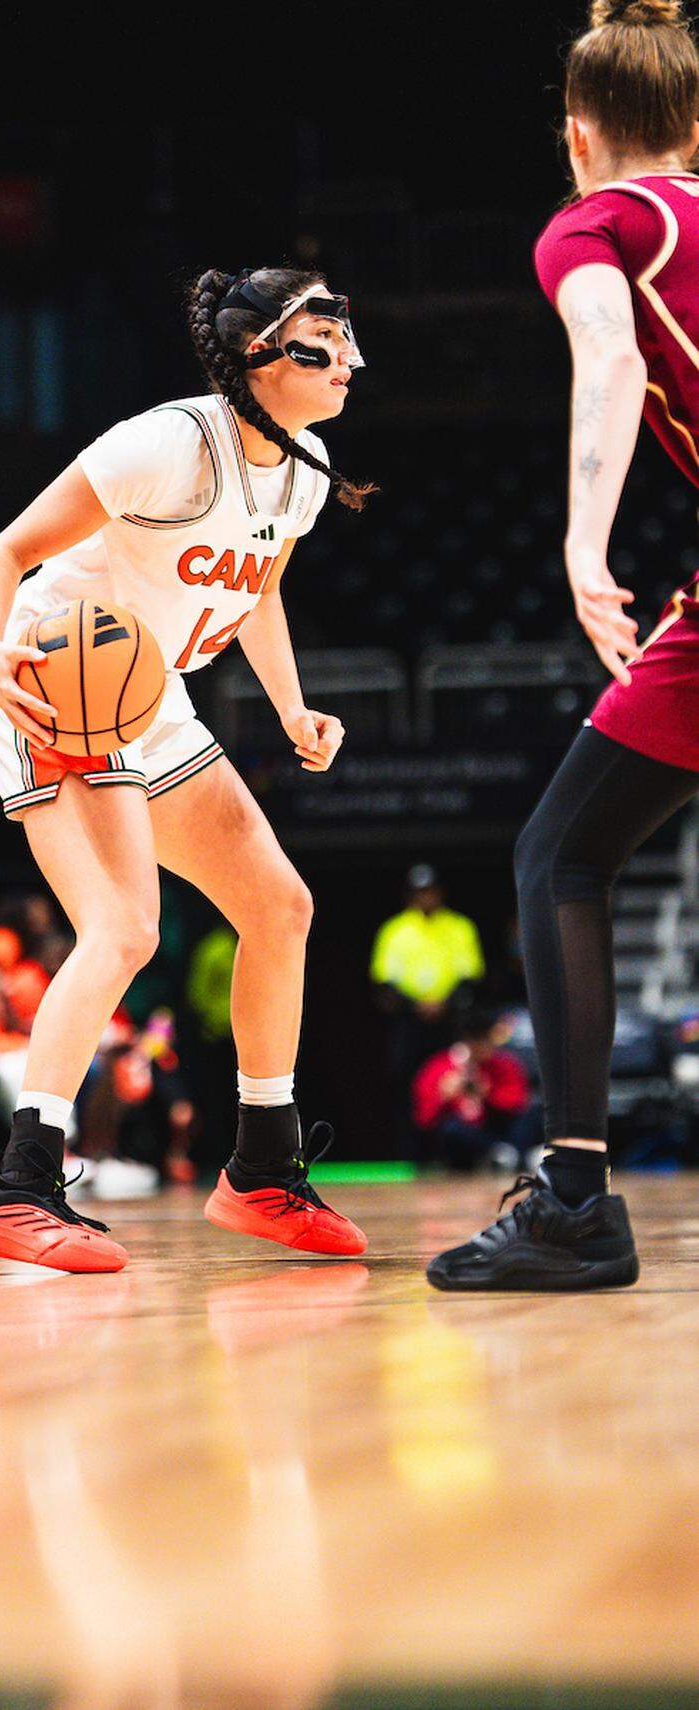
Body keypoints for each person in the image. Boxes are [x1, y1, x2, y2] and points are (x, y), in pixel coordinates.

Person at [0, 265, 377, 1272]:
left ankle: (262, 1169)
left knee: (280, 907)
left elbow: (258, 590)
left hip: (145, 695)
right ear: (262, 355)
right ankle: (16, 1183)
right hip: (56, 677)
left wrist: (290, 707)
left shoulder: (304, 465)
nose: (350, 361)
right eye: (326, 343)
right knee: (125, 929)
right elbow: (4, 554)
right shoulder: (166, 446)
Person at [429, 0, 699, 1290]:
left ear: (578, 136)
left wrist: (586, 543)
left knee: (562, 854)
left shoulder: (602, 225)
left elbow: (608, 355)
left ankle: (577, 1201)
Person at [370, 864, 485, 1148]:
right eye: (420, 892)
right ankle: (410, 1151)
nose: (426, 897)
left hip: (449, 1018)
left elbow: (470, 975)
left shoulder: (459, 927)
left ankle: (451, 1148)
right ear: (410, 895)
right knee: (404, 1081)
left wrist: (442, 1003)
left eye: (430, 891)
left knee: (453, 1080)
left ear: (440, 892)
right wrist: (417, 1005)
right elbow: (384, 980)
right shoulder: (395, 930)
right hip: (409, 1019)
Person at [412, 1008, 536, 1172]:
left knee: (532, 1114)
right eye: (477, 1041)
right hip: (468, 1138)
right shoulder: (440, 1066)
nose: (483, 1047)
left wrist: (488, 1093)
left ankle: (514, 1154)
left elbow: (519, 1103)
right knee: (451, 1129)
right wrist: (444, 1096)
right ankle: (499, 1154)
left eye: (487, 1040)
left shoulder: (506, 1064)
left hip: (501, 1130)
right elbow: (423, 1119)